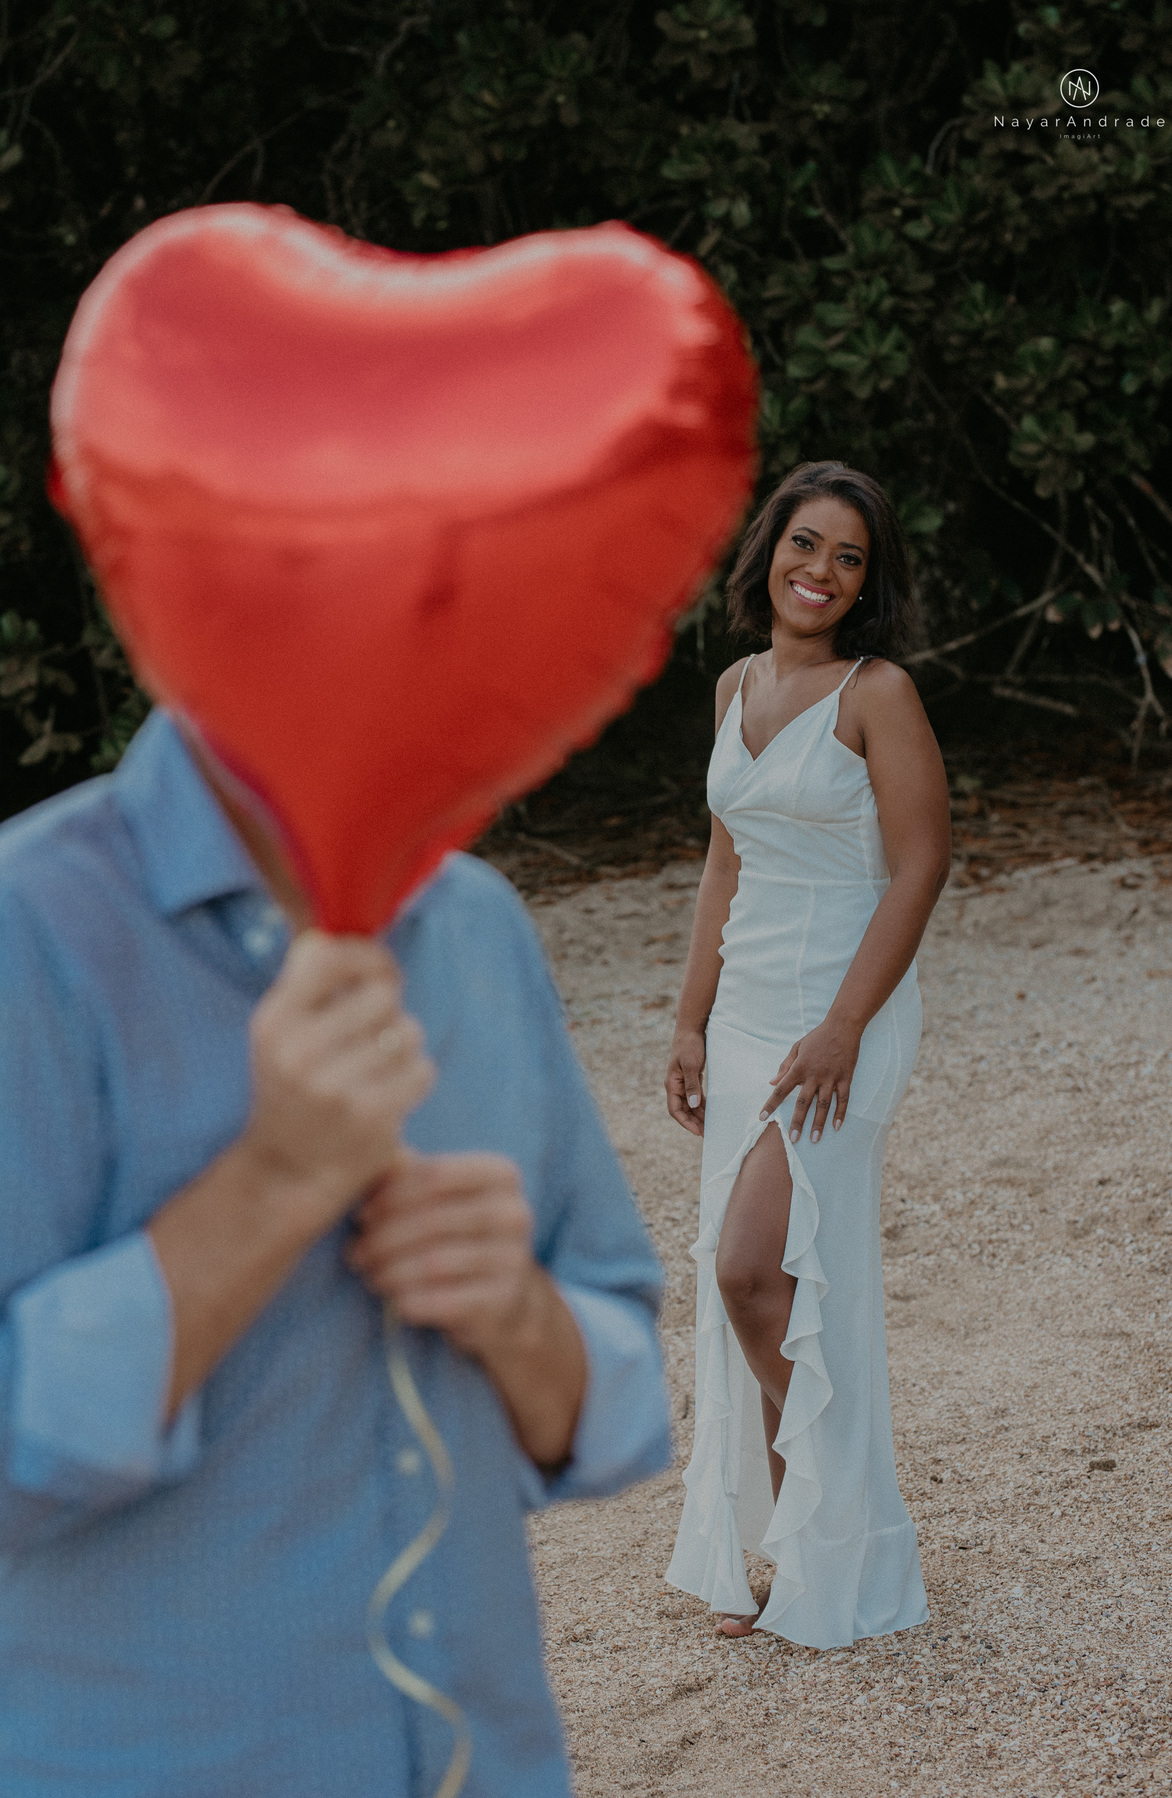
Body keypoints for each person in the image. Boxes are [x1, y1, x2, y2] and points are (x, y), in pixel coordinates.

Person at [0, 706, 671, 1797]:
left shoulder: (479, 923)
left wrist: (518, 1313)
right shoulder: (24, 925)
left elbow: (627, 1404)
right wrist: (268, 1187)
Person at [663, 460, 951, 1648]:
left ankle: (839, 1523)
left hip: (845, 1011)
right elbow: (725, 865)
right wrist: (687, 1017)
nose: (821, 572)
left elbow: (923, 860)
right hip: (743, 1024)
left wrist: (842, 1026)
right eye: (806, 545)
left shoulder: (877, 693)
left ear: (868, 584)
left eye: (849, 558)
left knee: (752, 1270)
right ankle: (807, 1537)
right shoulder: (736, 683)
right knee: (762, 1281)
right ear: (768, 550)